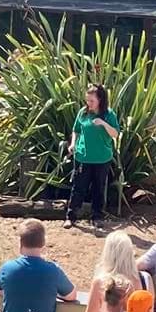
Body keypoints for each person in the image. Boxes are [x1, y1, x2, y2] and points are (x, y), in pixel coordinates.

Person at [0, 219, 77, 312]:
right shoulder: (53, 271)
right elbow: (71, 296)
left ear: (20, 243)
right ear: (43, 243)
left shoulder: (8, 268)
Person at [64, 84, 120, 227]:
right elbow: (76, 130)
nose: (89, 104)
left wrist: (103, 123)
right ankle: (71, 216)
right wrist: (73, 144)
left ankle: (97, 216)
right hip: (83, 156)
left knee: (98, 188)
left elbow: (115, 134)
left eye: (92, 101)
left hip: (102, 158)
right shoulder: (83, 112)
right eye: (87, 100)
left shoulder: (109, 114)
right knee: (78, 187)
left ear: (100, 99)